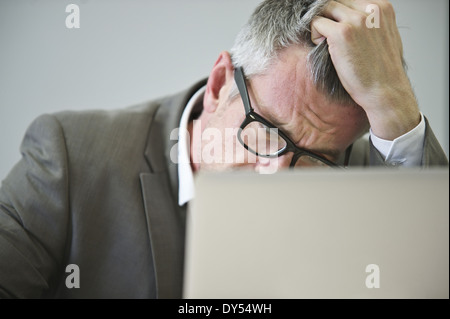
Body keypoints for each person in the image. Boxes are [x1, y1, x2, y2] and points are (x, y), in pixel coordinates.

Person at [0, 0, 447, 299]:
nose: (277, 176)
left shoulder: (369, 180)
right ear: (219, 84)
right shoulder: (69, 159)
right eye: (268, 132)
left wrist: (396, 108)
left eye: (315, 158)